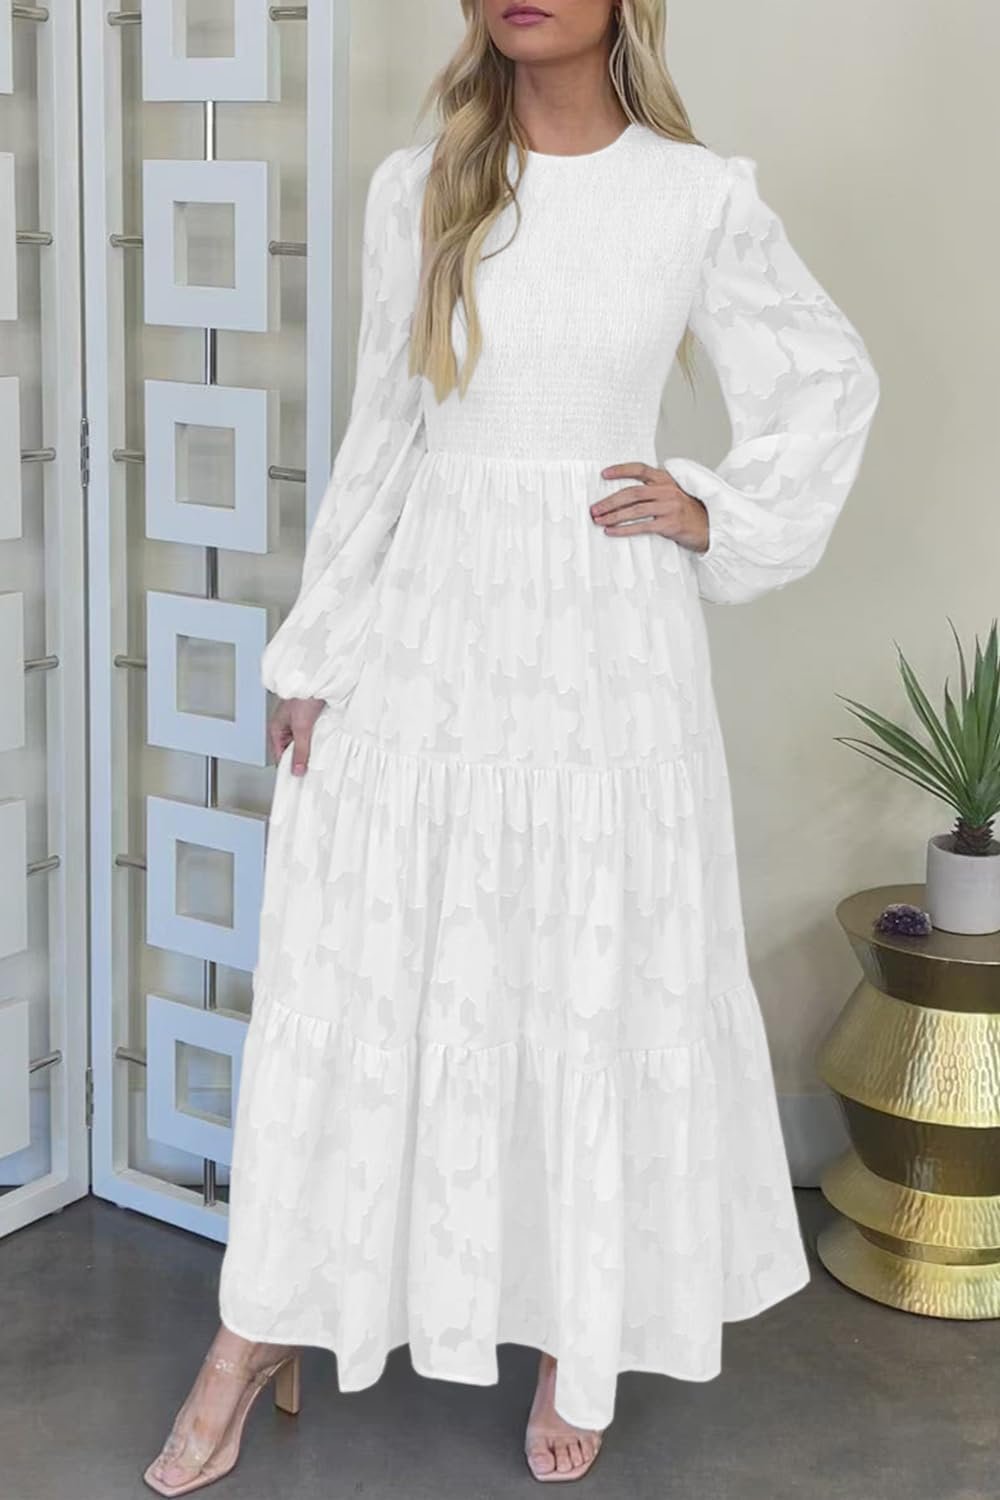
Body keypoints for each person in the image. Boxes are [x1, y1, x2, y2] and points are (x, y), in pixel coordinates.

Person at [144, 0, 880, 1492]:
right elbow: (384, 433)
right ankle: (261, 1326)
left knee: (581, 974)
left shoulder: (694, 195)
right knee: (372, 963)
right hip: (431, 627)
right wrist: (316, 653)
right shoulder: (419, 186)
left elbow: (827, 381)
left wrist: (715, 509)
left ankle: (573, 1333)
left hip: (606, 651)